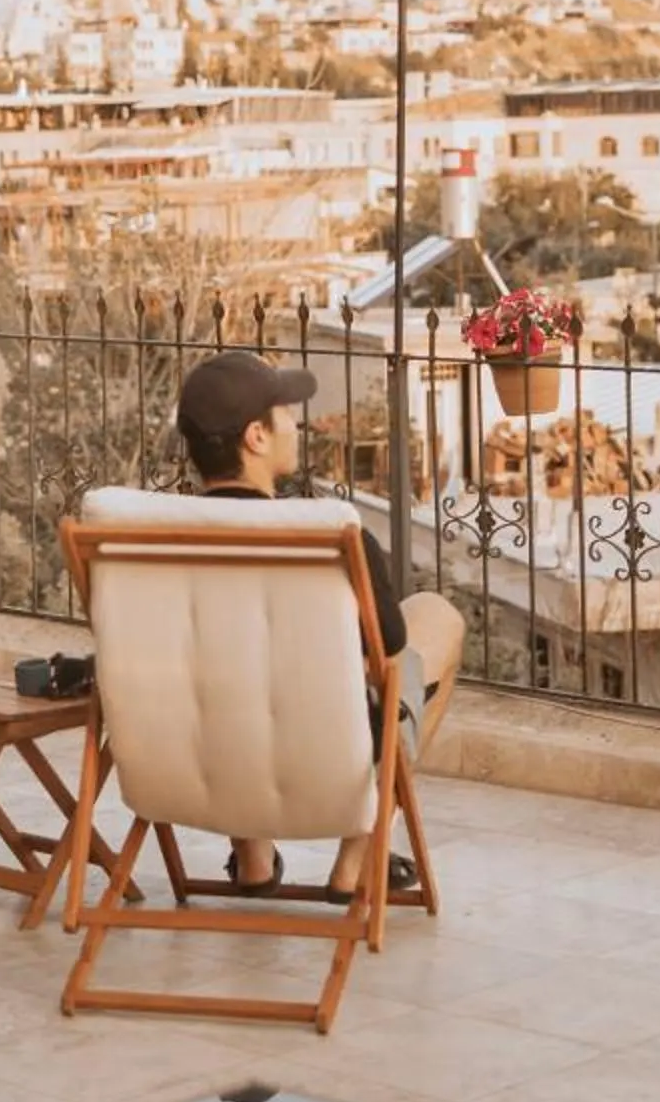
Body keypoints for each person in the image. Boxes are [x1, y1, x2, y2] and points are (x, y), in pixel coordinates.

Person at [172, 351, 464, 897]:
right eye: (284, 411)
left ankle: (252, 858)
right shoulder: (331, 538)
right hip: (322, 762)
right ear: (256, 436)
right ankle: (358, 864)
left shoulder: (147, 543)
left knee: (228, 662)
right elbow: (390, 662)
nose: (296, 422)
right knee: (434, 622)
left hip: (204, 759)